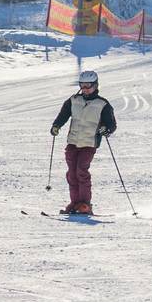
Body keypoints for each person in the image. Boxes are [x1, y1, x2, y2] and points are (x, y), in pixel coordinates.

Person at [48, 70, 118, 215]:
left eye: (88, 85)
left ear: (95, 85)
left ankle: (84, 205)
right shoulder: (74, 100)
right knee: (72, 174)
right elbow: (63, 115)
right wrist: (56, 126)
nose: (85, 89)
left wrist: (106, 129)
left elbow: (111, 124)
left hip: (89, 143)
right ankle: (74, 204)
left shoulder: (102, 104)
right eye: (82, 85)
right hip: (73, 142)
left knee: (81, 171)